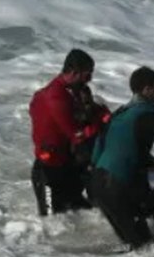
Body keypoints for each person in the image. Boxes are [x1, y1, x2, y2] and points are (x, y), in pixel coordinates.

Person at [89, 66, 154, 249]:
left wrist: (147, 164)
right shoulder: (152, 113)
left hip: (97, 184)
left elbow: (96, 153)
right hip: (117, 187)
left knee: (132, 246)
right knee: (146, 249)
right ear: (147, 89)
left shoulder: (118, 113)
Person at [29, 49, 110, 216]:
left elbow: (92, 111)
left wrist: (101, 113)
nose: (89, 80)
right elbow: (76, 135)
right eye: (87, 76)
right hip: (49, 171)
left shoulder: (75, 91)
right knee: (51, 222)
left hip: (69, 166)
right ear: (74, 73)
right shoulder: (55, 97)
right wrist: (99, 123)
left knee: (88, 212)